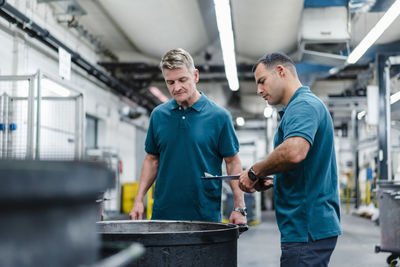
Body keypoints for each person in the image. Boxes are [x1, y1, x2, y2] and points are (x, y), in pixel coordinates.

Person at [238, 52, 342, 267]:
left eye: (262, 81)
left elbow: (294, 152)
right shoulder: (302, 106)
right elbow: (308, 168)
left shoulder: (302, 105)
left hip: (306, 227)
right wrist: (277, 181)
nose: (258, 90)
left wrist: (254, 171)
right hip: (308, 226)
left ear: (280, 71)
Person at [130, 48, 246, 224]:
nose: (176, 88)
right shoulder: (158, 115)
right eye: (170, 82)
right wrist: (139, 199)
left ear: (196, 76)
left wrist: (239, 207)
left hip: (204, 216)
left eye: (182, 80)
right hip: (163, 216)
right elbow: (151, 159)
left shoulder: (219, 117)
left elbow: (232, 162)